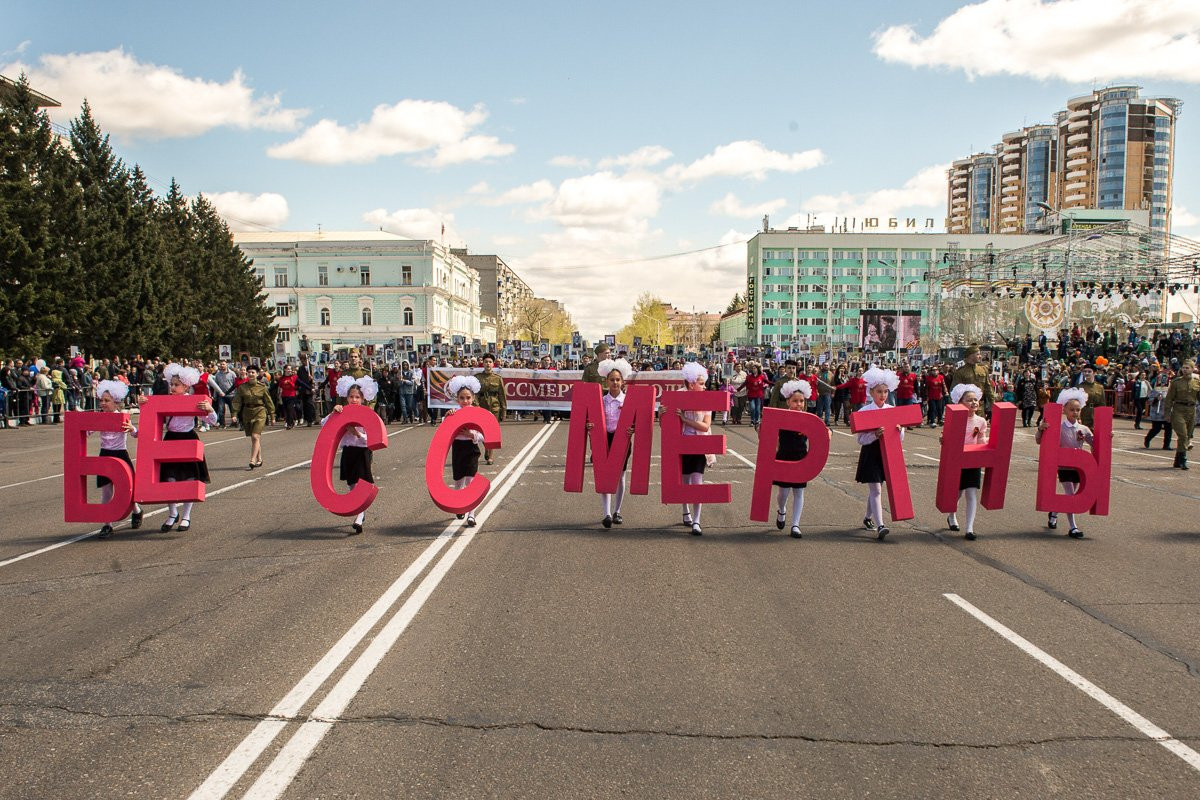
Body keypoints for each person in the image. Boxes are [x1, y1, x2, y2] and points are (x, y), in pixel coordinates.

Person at [142, 363, 216, 533]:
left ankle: (186, 516)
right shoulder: (164, 400)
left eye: (177, 385)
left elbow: (213, 420)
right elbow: (151, 418)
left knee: (189, 479)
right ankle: (172, 513)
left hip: (188, 438)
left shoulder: (193, 401)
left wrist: (210, 409)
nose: (173, 387)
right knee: (169, 478)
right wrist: (144, 403)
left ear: (186, 386)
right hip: (171, 439)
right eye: (172, 384)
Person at [321, 375, 379, 534]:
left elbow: (373, 437)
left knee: (363, 483)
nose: (354, 399)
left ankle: (359, 516)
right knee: (352, 484)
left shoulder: (367, 413)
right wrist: (335, 414)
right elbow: (324, 424)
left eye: (357, 397)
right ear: (346, 398)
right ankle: (360, 512)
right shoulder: (342, 411)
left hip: (363, 451)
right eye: (351, 397)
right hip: (348, 451)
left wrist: (357, 434)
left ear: (363, 398)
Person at [1036, 387, 1093, 538]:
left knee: (1071, 494)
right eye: (1072, 409)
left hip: (1078, 466)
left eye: (1078, 409)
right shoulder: (1058, 428)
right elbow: (1038, 440)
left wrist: (1108, 436)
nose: (1075, 412)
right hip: (1063, 465)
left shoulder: (1083, 429)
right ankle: (1073, 527)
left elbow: (1096, 443)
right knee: (1070, 496)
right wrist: (1041, 429)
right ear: (1064, 411)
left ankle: (1054, 512)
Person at [91, 379, 145, 538]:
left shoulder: (122, 416)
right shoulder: (99, 417)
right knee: (106, 491)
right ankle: (107, 524)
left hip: (120, 453)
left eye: (107, 401)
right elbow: (85, 431)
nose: (103, 403)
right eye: (101, 400)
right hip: (105, 454)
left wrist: (132, 428)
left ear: (116, 402)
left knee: (126, 490)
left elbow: (137, 434)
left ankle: (136, 510)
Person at [586, 358, 635, 529]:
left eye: (617, 380)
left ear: (623, 382)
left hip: (621, 439)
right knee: (604, 475)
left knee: (620, 476)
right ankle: (606, 513)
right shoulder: (600, 400)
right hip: (603, 438)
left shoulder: (628, 400)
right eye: (612, 379)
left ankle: (617, 510)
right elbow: (591, 418)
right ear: (606, 381)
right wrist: (589, 425)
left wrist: (632, 428)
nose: (615, 382)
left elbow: (636, 421)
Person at [855, 366, 901, 540]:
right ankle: (881, 524)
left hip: (888, 453)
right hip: (871, 453)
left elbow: (900, 437)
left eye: (885, 391)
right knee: (876, 488)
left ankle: (868, 518)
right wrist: (874, 435)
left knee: (877, 487)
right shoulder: (864, 411)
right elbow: (860, 439)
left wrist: (898, 430)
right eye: (879, 391)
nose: (882, 395)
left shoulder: (891, 409)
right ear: (871, 392)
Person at [942, 384, 987, 540]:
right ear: (960, 402)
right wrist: (944, 439)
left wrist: (983, 451)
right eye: (969, 400)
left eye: (976, 399)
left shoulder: (981, 421)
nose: (974, 402)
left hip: (972, 460)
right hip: (956, 460)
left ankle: (969, 528)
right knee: (958, 493)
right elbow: (947, 436)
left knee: (972, 492)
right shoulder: (954, 418)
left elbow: (981, 439)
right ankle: (951, 516)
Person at [772, 379, 812, 539]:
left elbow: (821, 431)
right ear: (788, 401)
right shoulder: (782, 417)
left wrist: (829, 432)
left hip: (801, 457)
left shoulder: (809, 418)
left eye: (801, 401)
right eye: (795, 401)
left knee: (799, 491)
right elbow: (770, 432)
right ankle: (781, 510)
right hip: (784, 457)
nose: (799, 404)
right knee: (783, 492)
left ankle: (795, 524)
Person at [677, 361, 712, 536]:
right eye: (701, 383)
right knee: (684, 481)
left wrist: (685, 419)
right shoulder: (678, 397)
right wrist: (664, 412)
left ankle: (697, 521)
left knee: (697, 482)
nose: (704, 387)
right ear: (691, 383)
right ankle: (686, 511)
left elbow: (705, 426)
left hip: (700, 444)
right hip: (681, 445)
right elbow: (665, 418)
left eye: (704, 383)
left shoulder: (707, 401)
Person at [445, 375, 485, 527]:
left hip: (471, 449)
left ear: (473, 398)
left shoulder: (478, 413)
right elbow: (445, 431)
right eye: (462, 398)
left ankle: (472, 515)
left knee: (471, 481)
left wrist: (472, 435)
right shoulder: (454, 412)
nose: (465, 401)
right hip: (458, 449)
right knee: (458, 481)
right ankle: (460, 505)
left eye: (468, 397)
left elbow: (483, 436)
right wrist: (447, 417)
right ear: (457, 399)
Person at [233, 365, 275, 470]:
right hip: (247, 412)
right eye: (249, 372)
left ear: (257, 374)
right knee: (254, 438)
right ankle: (259, 458)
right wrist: (234, 414)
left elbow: (268, 402)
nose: (251, 374)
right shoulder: (242, 387)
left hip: (260, 412)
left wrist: (272, 415)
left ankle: (252, 460)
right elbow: (237, 401)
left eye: (253, 372)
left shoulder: (262, 387)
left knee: (255, 436)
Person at [1164, 358, 1200, 470]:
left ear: (1193, 369)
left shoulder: (1197, 382)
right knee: (1183, 435)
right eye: (1183, 368)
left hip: (1191, 410)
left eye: (1187, 368)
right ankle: (1183, 459)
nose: (1185, 370)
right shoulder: (1176, 382)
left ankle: (1177, 459)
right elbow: (1169, 399)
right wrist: (1167, 414)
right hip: (1179, 410)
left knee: (1186, 436)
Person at [474, 354, 506, 465]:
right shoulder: (477, 378)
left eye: (490, 362)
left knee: (491, 431)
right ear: (483, 363)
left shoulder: (497, 378)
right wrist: (476, 405)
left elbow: (502, 395)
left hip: (494, 407)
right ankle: (487, 448)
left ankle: (490, 455)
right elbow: (475, 394)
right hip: (482, 406)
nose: (488, 364)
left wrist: (504, 410)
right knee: (482, 431)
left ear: (493, 364)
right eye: (486, 362)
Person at [948, 345, 994, 410]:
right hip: (966, 408)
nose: (980, 356)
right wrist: (954, 409)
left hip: (980, 407)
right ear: (971, 356)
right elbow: (954, 392)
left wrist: (993, 404)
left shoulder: (983, 369)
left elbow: (988, 388)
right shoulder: (960, 372)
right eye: (978, 354)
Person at [1143, 372, 1173, 451]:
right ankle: (1148, 438)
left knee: (1168, 429)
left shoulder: (1170, 390)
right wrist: (1156, 399)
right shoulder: (1155, 390)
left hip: (1167, 412)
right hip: (1157, 413)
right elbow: (1150, 401)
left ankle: (1166, 445)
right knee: (1156, 429)